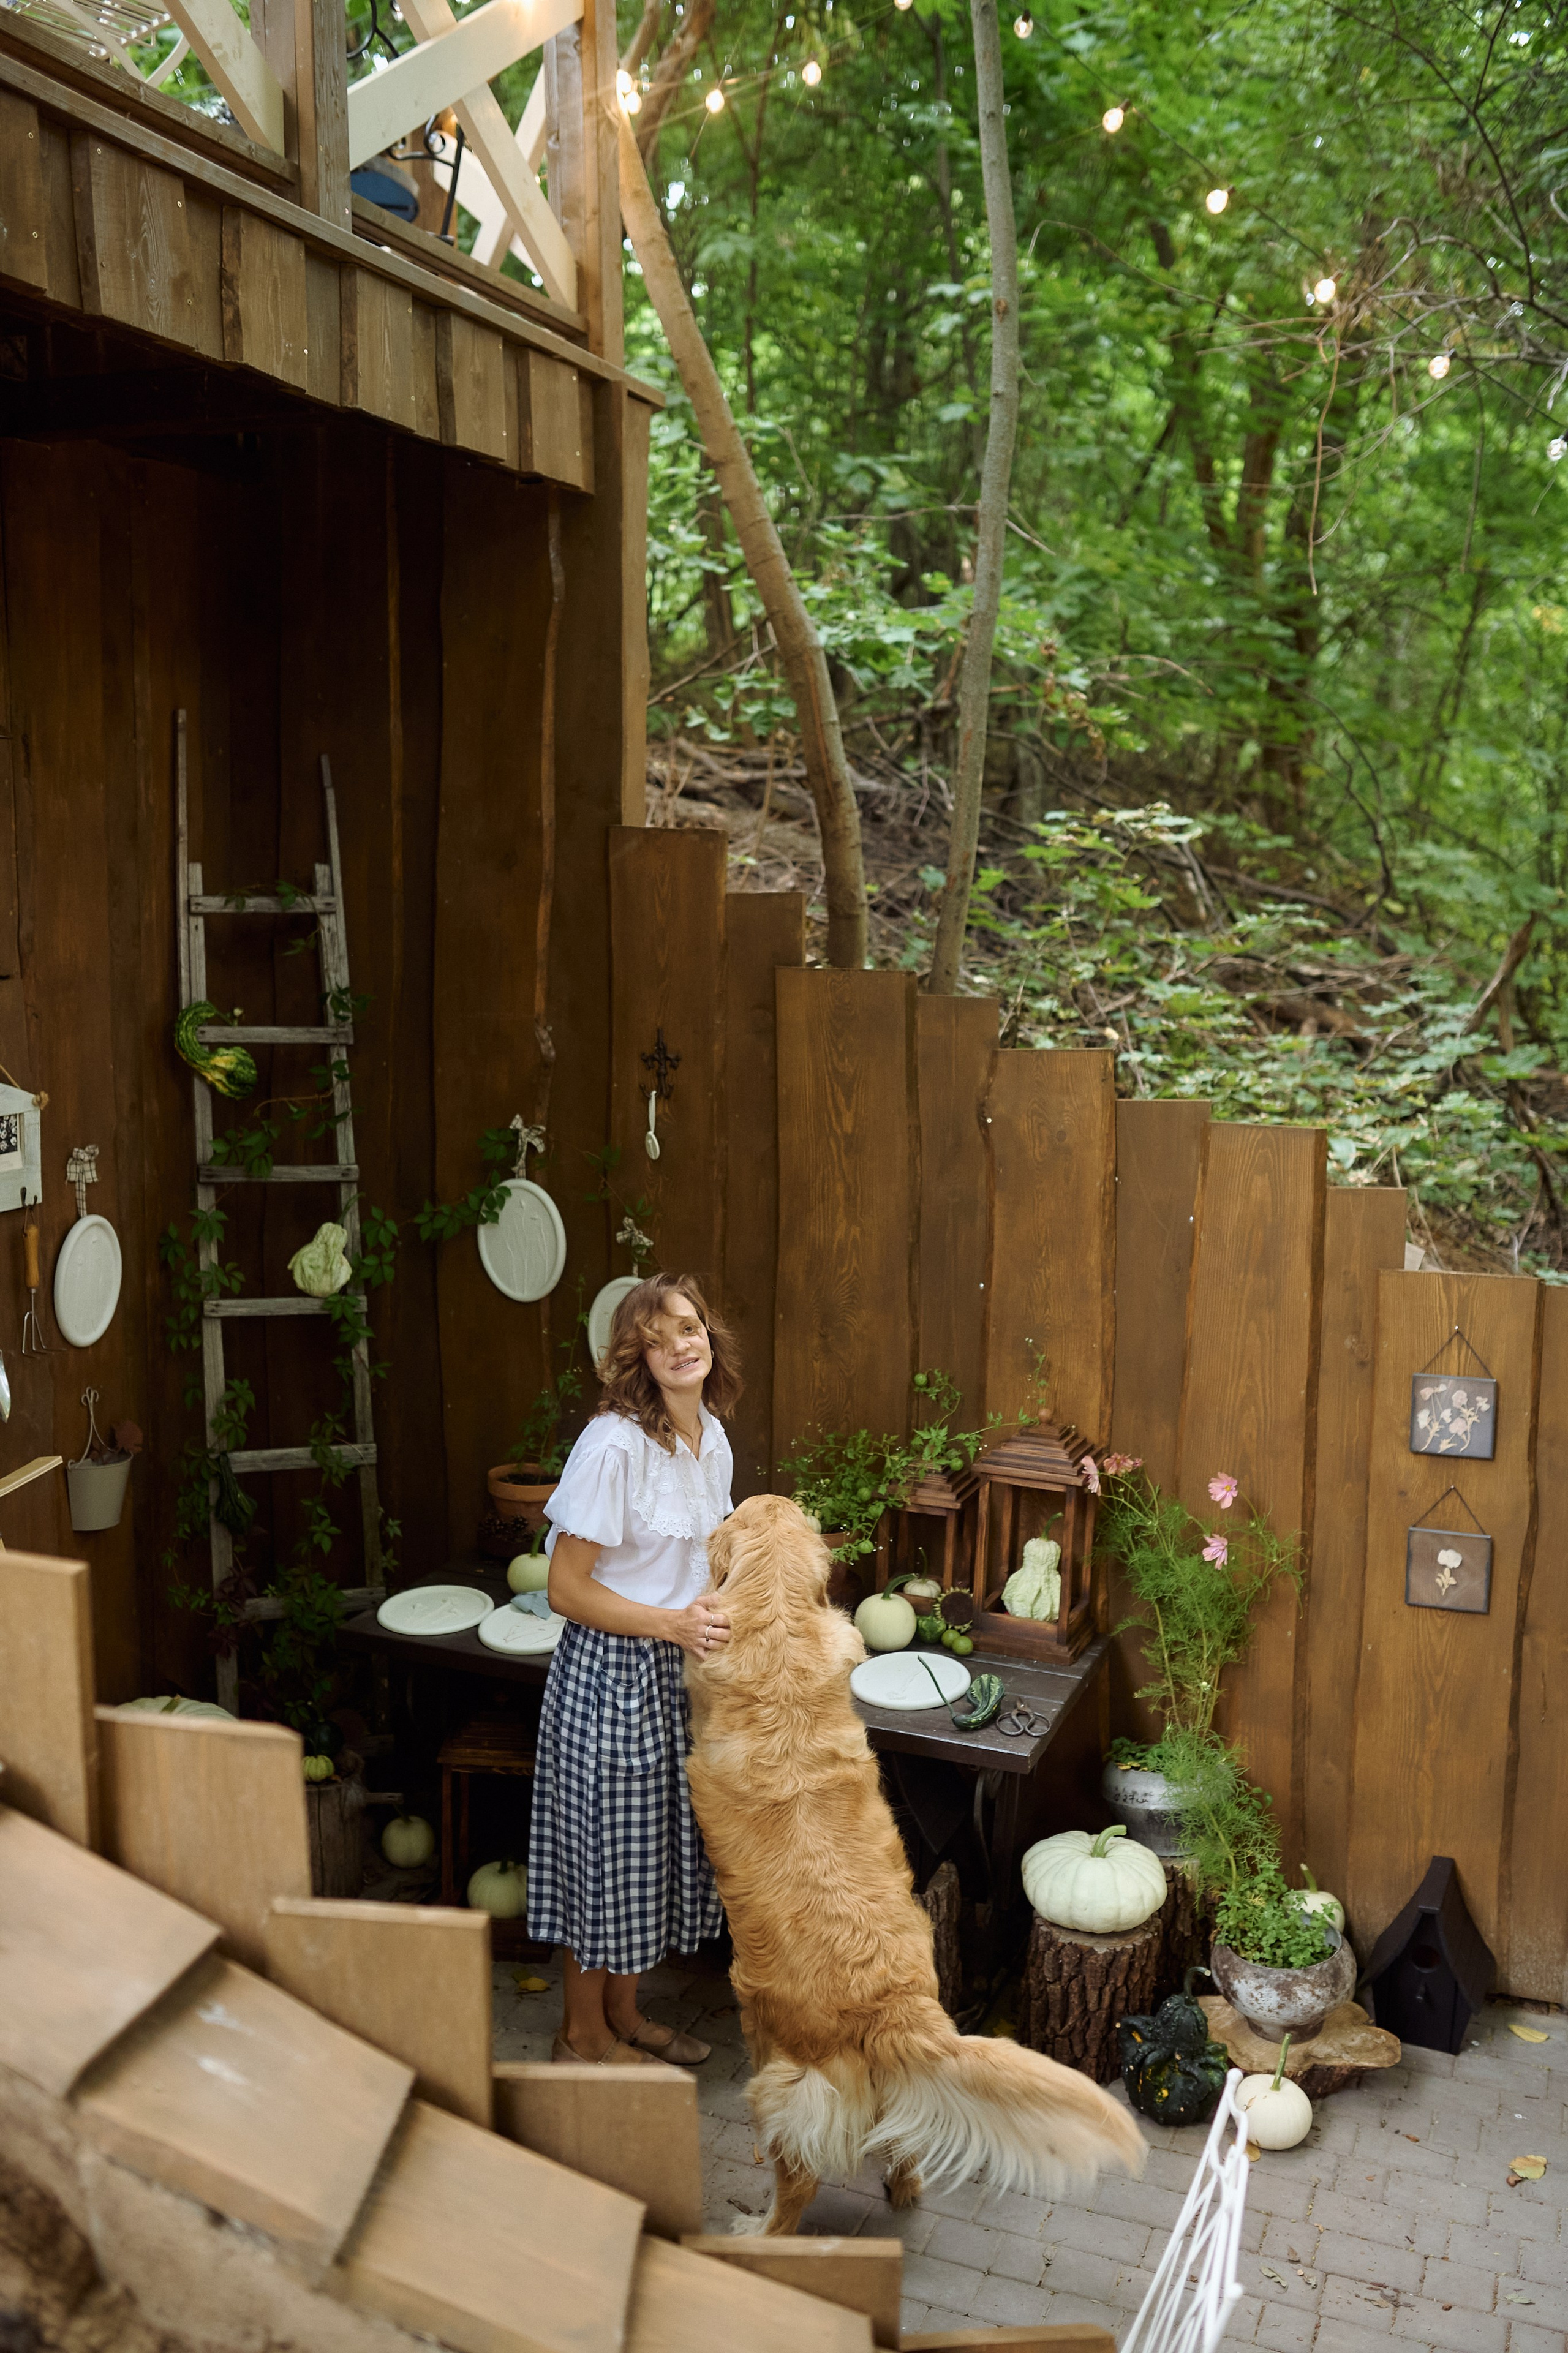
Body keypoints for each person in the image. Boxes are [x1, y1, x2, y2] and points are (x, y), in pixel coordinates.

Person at [527, 1271, 740, 2065]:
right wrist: (673, 1622)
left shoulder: (709, 1434)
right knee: (602, 1855)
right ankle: (581, 2033)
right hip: (609, 1675)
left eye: (689, 1327)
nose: (680, 1345)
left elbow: (700, 1559)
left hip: (671, 1671)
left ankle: (625, 2013)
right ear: (636, 1358)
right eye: (657, 1339)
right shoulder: (613, 1444)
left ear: (708, 1336)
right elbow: (564, 1588)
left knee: (643, 1851)